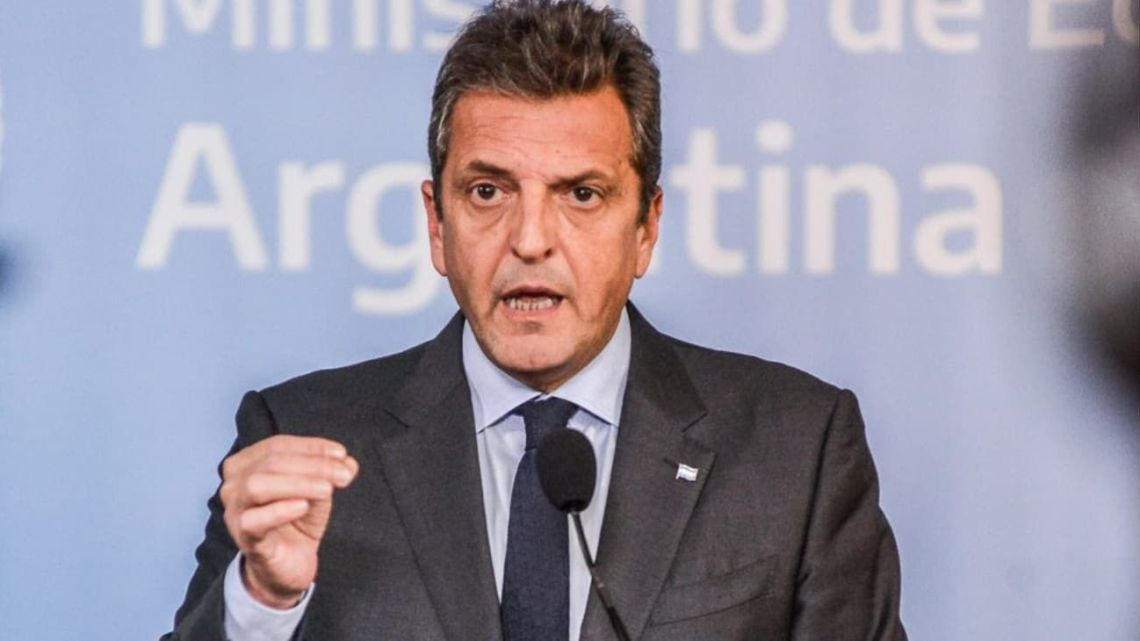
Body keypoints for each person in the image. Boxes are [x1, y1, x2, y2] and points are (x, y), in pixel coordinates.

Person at [164, 1, 907, 640]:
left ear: (646, 228)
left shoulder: (796, 450)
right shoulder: (301, 439)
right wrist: (263, 601)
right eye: (488, 191)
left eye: (581, 194)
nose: (529, 239)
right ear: (437, 223)